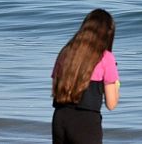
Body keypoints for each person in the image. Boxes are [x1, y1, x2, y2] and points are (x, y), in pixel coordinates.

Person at [51, 9, 120, 144]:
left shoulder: (66, 52)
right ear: (108, 34)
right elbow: (111, 104)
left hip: (60, 118)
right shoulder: (106, 57)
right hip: (86, 122)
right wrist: (116, 84)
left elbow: (55, 88)